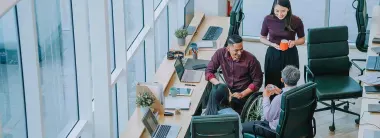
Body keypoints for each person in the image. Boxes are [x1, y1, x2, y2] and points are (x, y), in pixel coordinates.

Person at [205, 34, 263, 114]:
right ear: (228, 48)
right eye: (236, 50)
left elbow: (257, 81)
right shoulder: (220, 53)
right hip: (227, 91)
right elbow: (208, 71)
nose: (239, 53)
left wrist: (242, 94)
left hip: (244, 93)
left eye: (241, 49)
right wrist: (221, 86)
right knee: (212, 102)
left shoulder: (251, 60)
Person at [242, 65, 300, 138]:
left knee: (242, 126)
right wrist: (281, 91)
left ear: (282, 80)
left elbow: (268, 117)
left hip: (275, 131)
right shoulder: (303, 92)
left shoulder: (279, 99)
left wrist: (266, 97)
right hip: (295, 127)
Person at [260, 0, 305, 89]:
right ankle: (272, 102)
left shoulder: (296, 20)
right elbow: (262, 37)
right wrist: (272, 44)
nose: (280, 14)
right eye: (277, 11)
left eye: (283, 11)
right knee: (272, 82)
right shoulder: (268, 19)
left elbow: (302, 39)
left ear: (288, 9)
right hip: (273, 54)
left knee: (289, 83)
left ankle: (288, 102)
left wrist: (294, 42)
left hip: (290, 55)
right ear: (273, 9)